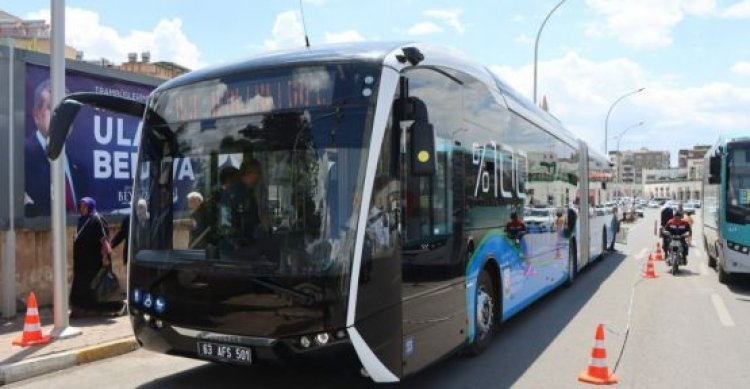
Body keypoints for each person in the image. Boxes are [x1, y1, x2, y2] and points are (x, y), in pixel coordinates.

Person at [24, 79, 87, 217]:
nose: (62, 116)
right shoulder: (21, 156)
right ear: (36, 115)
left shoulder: (79, 167)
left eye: (67, 110)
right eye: (51, 107)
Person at [70, 197, 122, 317]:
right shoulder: (81, 220)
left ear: (90, 207)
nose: (82, 209)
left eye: (85, 206)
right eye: (81, 206)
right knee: (81, 285)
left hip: (94, 262)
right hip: (82, 263)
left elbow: (104, 240)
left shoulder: (97, 219)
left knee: (96, 285)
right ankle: (81, 309)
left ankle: (98, 309)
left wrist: (105, 257)